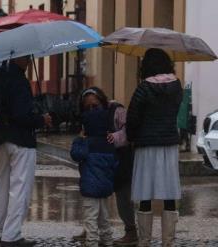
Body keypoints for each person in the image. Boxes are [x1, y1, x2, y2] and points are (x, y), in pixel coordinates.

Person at [0, 57, 52, 247]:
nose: (28, 60)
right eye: (26, 57)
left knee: (1, 185)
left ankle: (0, 231)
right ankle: (12, 235)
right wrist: (41, 119)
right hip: (20, 141)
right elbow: (22, 115)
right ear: (17, 56)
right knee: (20, 188)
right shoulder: (18, 80)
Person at [126, 48, 183, 246]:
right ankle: (168, 241)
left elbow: (132, 117)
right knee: (169, 194)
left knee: (144, 194)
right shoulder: (177, 86)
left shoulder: (144, 88)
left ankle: (145, 241)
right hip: (168, 145)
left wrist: (131, 137)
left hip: (146, 145)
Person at [72, 89, 137, 246]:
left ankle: (131, 231)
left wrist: (115, 138)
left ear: (102, 101)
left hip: (120, 157)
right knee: (99, 207)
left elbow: (130, 130)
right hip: (102, 160)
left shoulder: (116, 110)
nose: (92, 110)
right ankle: (93, 232)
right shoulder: (89, 117)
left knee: (122, 196)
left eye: (95, 105)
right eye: (87, 107)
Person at [70, 88, 118, 247]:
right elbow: (115, 164)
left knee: (90, 220)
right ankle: (108, 242)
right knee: (104, 219)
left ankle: (91, 243)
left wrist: (79, 140)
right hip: (105, 188)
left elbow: (76, 154)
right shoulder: (108, 142)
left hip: (90, 189)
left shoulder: (87, 142)